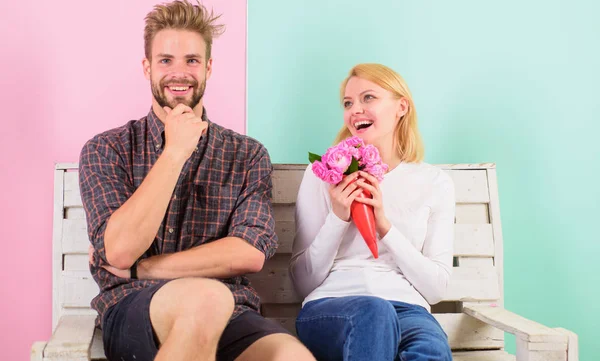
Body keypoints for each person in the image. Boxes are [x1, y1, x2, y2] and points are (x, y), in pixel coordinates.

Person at [79, 1, 315, 361]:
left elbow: (248, 252)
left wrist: (144, 267)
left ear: (207, 67)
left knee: (292, 357)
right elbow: (120, 250)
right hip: (135, 308)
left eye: (191, 60)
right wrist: (175, 151)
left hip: (232, 310)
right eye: (165, 60)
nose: (179, 73)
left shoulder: (246, 154)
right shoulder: (106, 149)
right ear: (147, 68)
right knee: (206, 297)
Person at [289, 63, 455, 361]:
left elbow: (436, 289)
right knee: (374, 313)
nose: (356, 110)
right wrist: (338, 218)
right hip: (332, 307)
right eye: (348, 103)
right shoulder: (322, 175)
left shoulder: (433, 182)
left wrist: (384, 227)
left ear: (401, 107)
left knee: (430, 350)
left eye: (368, 98)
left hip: (408, 309)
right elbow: (302, 283)